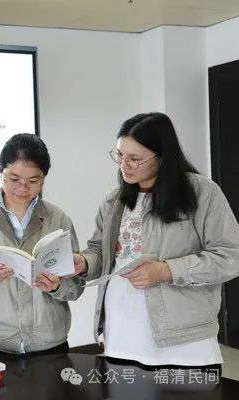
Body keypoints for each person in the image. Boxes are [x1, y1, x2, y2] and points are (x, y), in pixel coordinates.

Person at [70, 112, 239, 366]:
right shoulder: (114, 200)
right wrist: (83, 263)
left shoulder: (201, 192)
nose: (124, 165)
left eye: (135, 159)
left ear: (162, 157)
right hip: (120, 335)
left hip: (182, 341)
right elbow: (101, 253)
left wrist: (166, 271)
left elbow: (230, 256)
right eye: (120, 155)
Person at [0, 133, 84, 355]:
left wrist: (57, 287)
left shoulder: (58, 219)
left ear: (44, 178)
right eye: (13, 179)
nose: (23, 188)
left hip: (49, 342)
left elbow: (77, 285)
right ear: (0, 171)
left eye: (33, 181)